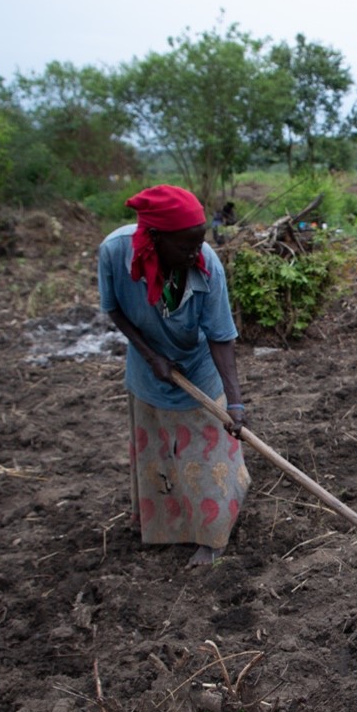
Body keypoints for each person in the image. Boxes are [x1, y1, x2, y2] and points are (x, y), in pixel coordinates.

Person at [97, 185, 251, 568]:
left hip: (197, 366)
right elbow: (113, 308)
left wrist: (234, 401)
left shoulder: (206, 264)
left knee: (207, 454)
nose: (195, 252)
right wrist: (150, 355)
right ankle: (166, 530)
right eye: (185, 245)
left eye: (199, 242)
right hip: (149, 370)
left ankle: (212, 538)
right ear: (154, 238)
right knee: (161, 455)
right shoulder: (116, 253)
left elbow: (220, 334)